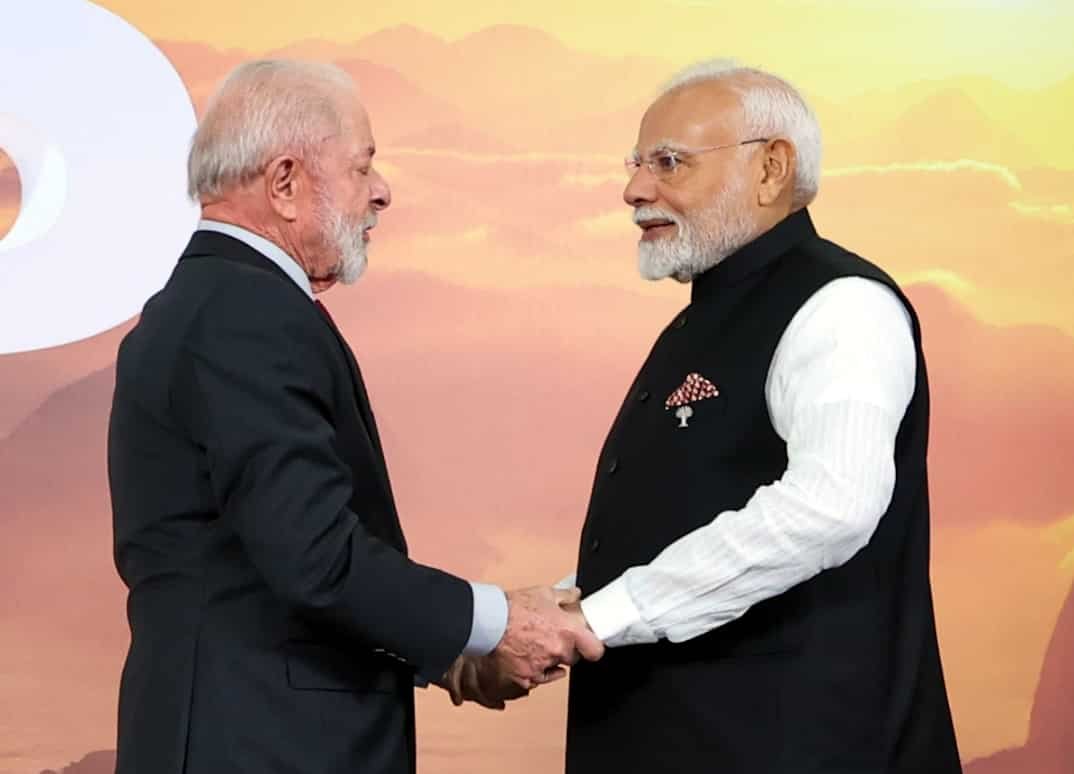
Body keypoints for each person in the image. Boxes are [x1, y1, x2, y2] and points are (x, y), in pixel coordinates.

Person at [106, 59, 601, 774]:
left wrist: (454, 658)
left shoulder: (204, 304)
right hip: (262, 744)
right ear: (284, 185)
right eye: (362, 166)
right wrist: (495, 623)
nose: (381, 191)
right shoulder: (247, 314)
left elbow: (260, 567)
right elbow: (316, 557)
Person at [558, 59, 963, 773]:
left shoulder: (842, 306)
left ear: (772, 170)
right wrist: (550, 619)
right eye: (637, 163)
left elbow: (830, 507)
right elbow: (678, 519)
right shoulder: (703, 319)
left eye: (669, 162)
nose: (634, 189)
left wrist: (594, 620)